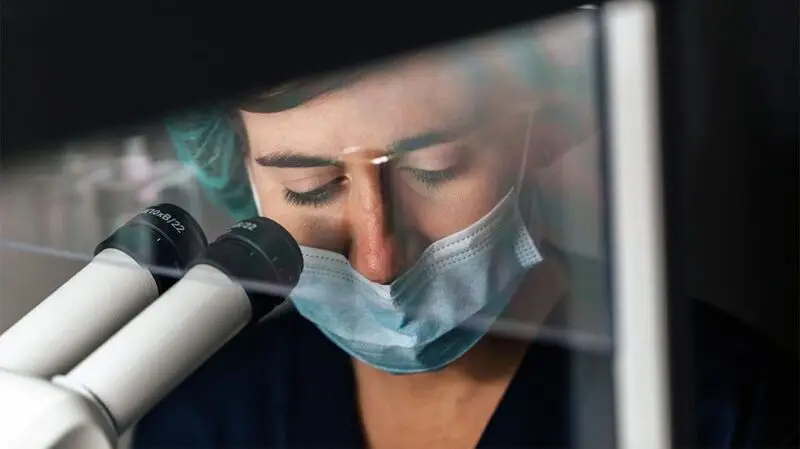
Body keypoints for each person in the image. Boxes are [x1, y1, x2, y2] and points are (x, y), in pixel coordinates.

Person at [131, 22, 797, 449]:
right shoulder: (205, 421)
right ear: (239, 174)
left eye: (434, 169)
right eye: (311, 185)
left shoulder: (721, 407)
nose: (379, 257)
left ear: (532, 134)